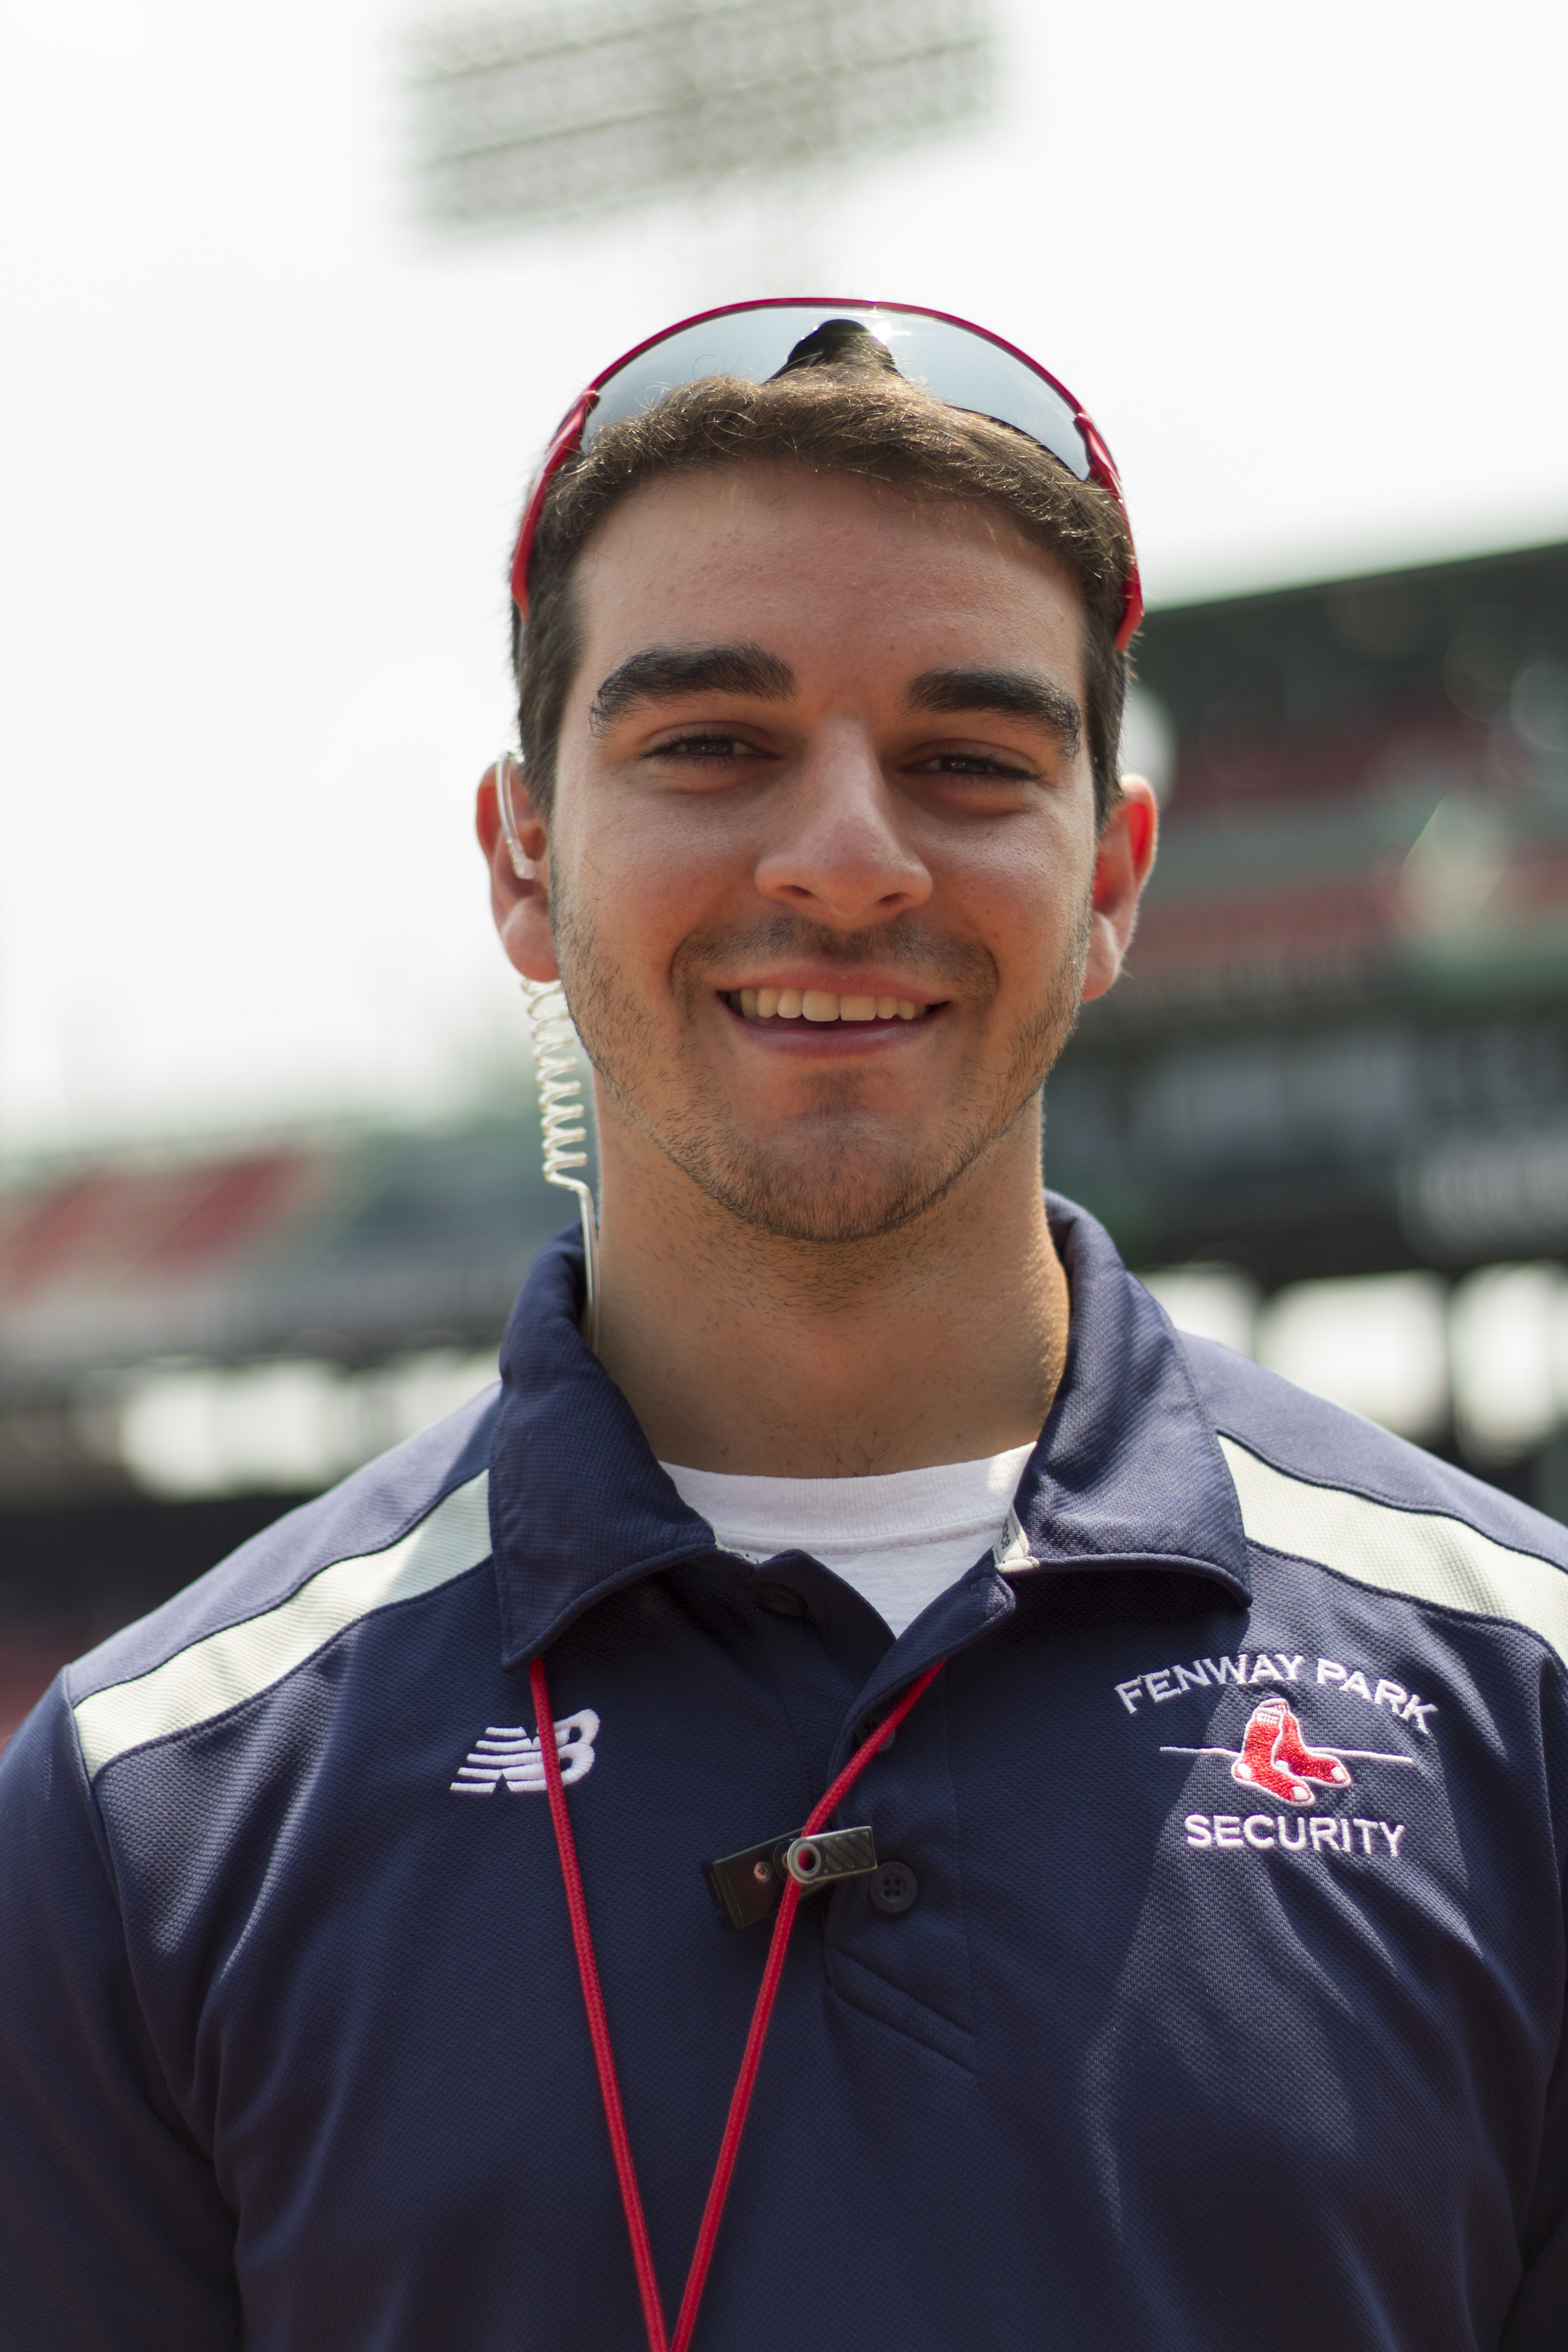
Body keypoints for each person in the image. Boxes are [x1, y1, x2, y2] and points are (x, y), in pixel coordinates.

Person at [2, 300, 1566, 2352]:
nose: (845, 857)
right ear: (524, 856)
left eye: (967, 760)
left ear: (1111, 875)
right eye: (713, 745)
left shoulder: (1520, 1701)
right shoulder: (146, 1807)